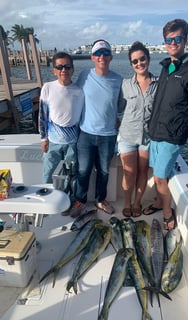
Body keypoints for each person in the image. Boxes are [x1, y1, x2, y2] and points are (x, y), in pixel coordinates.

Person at [143, 19, 188, 231]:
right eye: (169, 39)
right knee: (156, 173)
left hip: (173, 136)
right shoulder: (166, 67)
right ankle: (157, 202)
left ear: (185, 40)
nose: (173, 43)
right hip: (156, 131)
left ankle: (168, 212)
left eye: (177, 39)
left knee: (161, 177)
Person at [69, 39, 122, 218]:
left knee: (104, 171)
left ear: (111, 57)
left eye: (106, 53)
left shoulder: (118, 79)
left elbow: (122, 104)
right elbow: (71, 94)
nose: (102, 57)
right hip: (86, 133)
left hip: (108, 135)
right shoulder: (84, 75)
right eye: (98, 53)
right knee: (83, 170)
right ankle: (80, 201)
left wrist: (119, 119)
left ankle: (101, 199)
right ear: (92, 57)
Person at [117, 41, 158, 218]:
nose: (139, 63)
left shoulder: (159, 84)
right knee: (129, 172)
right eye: (135, 61)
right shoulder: (125, 84)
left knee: (143, 172)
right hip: (127, 136)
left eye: (142, 59)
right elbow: (118, 108)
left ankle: (137, 202)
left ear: (148, 59)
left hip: (147, 137)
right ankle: (127, 202)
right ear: (131, 64)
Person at [39, 51, 84, 184]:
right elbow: (43, 114)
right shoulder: (47, 87)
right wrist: (43, 138)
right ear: (54, 70)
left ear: (73, 70)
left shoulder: (80, 91)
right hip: (53, 142)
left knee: (71, 175)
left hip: (72, 143)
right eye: (59, 67)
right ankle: (46, 199)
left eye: (67, 67)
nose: (63, 70)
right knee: (47, 173)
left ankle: (68, 199)